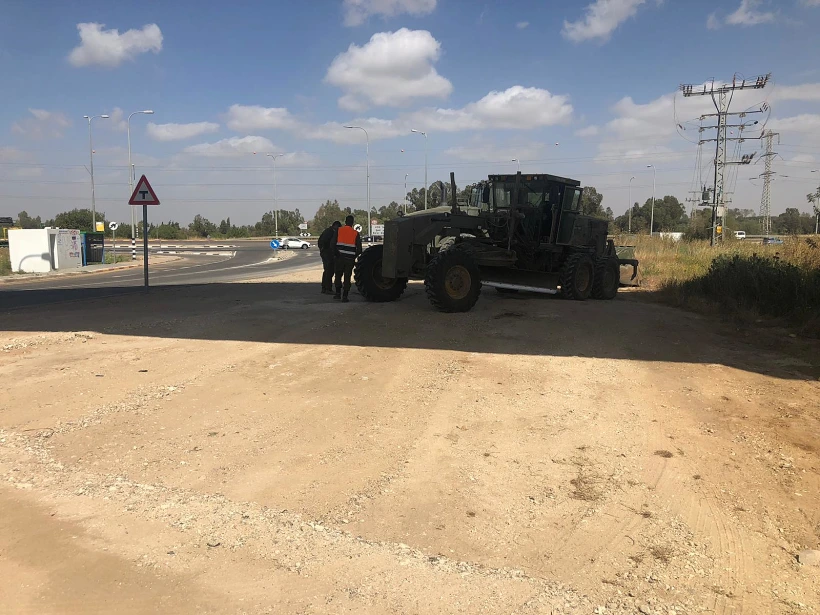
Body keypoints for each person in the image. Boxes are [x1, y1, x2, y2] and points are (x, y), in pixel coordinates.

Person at [330, 215, 362, 302]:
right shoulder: (355, 233)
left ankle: (337, 294)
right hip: (349, 259)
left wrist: (336, 254)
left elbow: (332, 244)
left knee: (338, 275)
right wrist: (353, 256)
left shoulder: (339, 230)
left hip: (339, 258)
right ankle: (345, 296)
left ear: (345, 222)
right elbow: (359, 249)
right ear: (352, 223)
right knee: (347, 277)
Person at [318, 220, 341, 294]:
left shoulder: (327, 231)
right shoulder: (331, 232)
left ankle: (324, 288)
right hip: (328, 254)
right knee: (329, 271)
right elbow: (330, 243)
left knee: (327, 270)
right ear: (336, 226)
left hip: (325, 253)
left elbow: (320, 242)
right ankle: (328, 288)